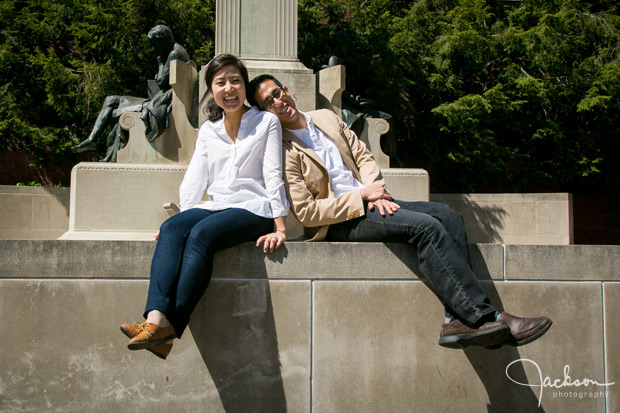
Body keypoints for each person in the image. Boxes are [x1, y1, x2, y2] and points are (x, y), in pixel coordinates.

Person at [247, 74, 552, 350]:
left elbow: (363, 156)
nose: (278, 101)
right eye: (268, 102)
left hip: (372, 200)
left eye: (277, 93)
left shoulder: (325, 117)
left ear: (286, 90)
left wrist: (375, 191)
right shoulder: (283, 150)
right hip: (341, 220)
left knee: (448, 216)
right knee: (426, 228)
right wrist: (362, 196)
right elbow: (308, 213)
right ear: (265, 113)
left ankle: (455, 318)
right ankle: (485, 316)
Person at [120, 55, 289, 359]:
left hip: (256, 208)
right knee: (171, 227)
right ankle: (154, 323)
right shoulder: (210, 130)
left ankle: (171, 327)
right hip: (220, 205)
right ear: (212, 91)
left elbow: (273, 174)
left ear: (244, 84)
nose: (229, 88)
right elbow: (194, 180)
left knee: (201, 236)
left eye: (235, 80)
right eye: (220, 82)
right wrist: (178, 227)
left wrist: (280, 226)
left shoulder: (266, 122)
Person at [72, 25, 191, 161]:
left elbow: (160, 81)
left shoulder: (174, 54)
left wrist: (160, 63)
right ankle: (92, 139)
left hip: (162, 101)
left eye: (154, 44)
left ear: (160, 40)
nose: (153, 47)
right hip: (161, 98)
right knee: (110, 100)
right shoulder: (175, 51)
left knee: (114, 106)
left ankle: (96, 142)